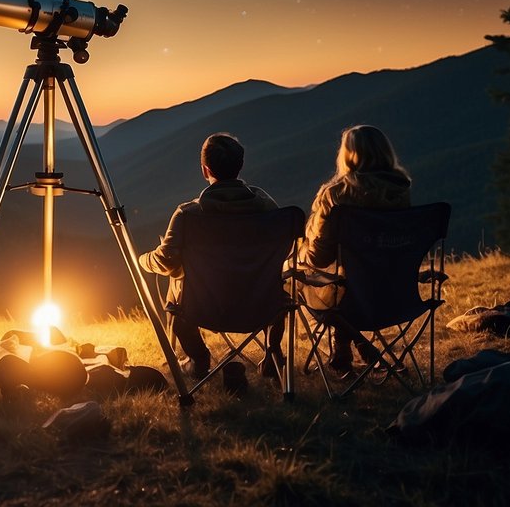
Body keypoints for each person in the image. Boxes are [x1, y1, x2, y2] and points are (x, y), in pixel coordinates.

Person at [139, 132, 279, 381]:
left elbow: (166, 260)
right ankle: (272, 354)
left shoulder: (188, 215)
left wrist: (143, 260)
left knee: (175, 290)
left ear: (205, 170)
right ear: (240, 165)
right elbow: (282, 252)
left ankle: (198, 358)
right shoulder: (268, 208)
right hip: (262, 303)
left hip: (202, 308)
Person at [298, 124, 412, 374]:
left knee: (294, 274)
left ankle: (352, 344)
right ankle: (351, 345)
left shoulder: (335, 196)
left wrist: (301, 253)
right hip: (397, 294)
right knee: (349, 280)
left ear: (348, 155)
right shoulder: (402, 192)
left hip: (351, 298)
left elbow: (319, 256)